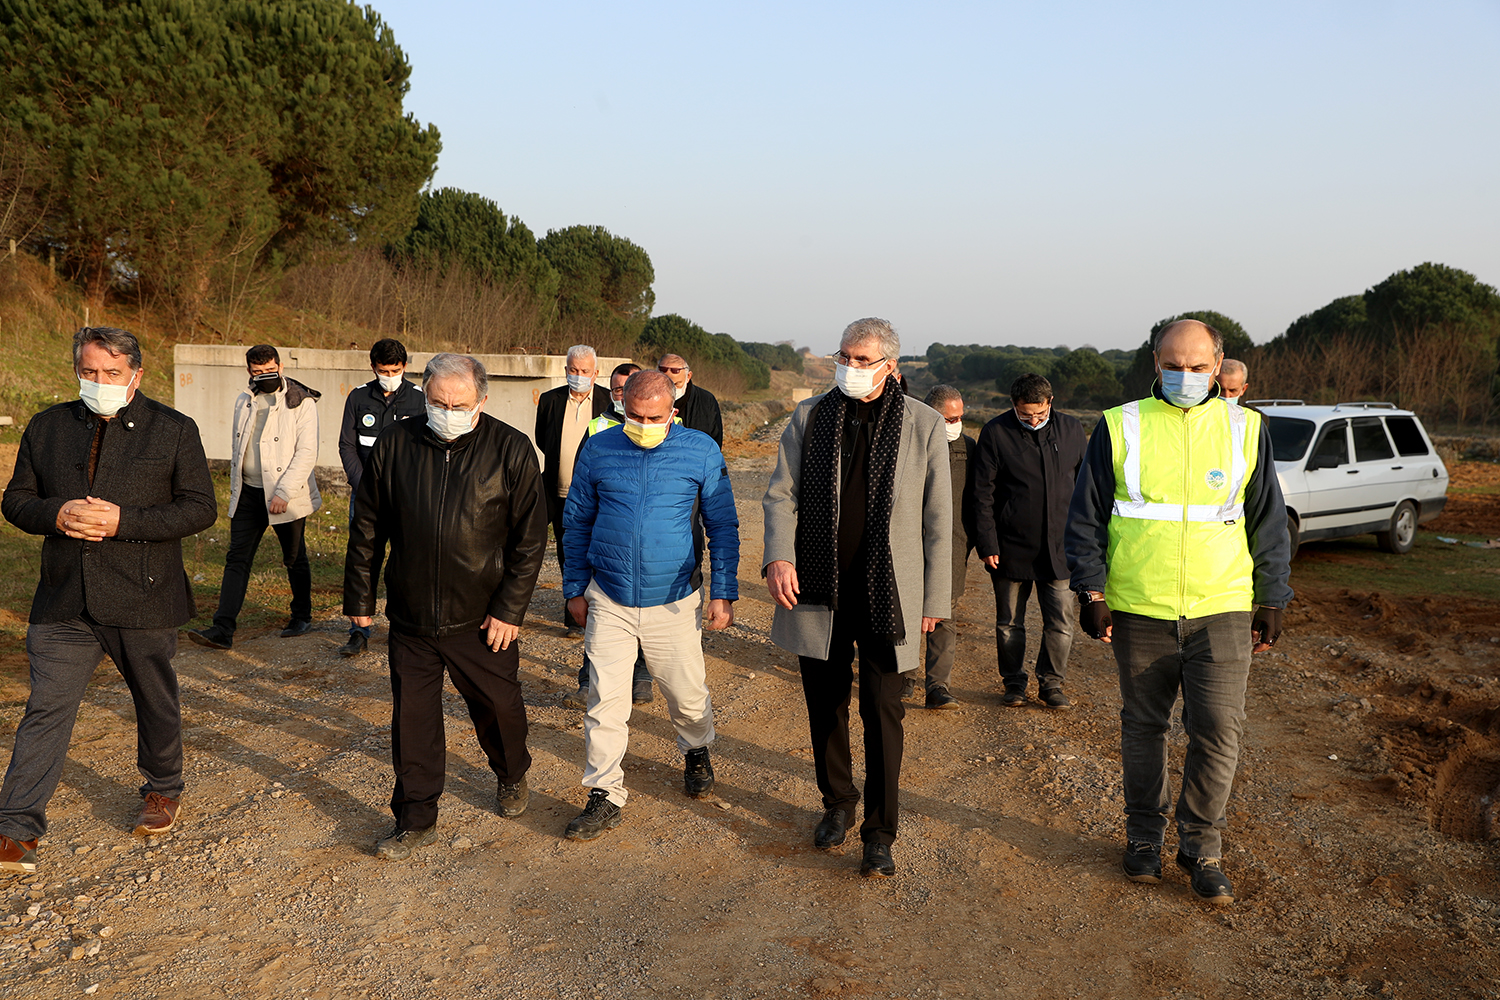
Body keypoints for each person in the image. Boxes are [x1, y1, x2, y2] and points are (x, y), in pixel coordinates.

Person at [1065, 319, 1292, 907]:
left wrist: (1272, 598)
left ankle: (1201, 846)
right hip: (1140, 609)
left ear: (1218, 367)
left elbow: (1267, 518)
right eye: (1173, 365)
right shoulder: (1120, 425)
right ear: (1155, 364)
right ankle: (1144, 837)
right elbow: (1085, 516)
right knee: (1144, 728)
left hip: (1222, 609)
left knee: (1218, 729)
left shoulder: (1247, 429)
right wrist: (1091, 592)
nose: (1184, 376)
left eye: (1197, 367)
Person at [0, 327, 216, 872]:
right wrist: (56, 514)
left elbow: (199, 509)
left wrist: (124, 522)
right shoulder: (47, 427)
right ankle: (16, 824)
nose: (100, 383)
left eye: (112, 374)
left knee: (154, 698)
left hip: (142, 594)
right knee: (45, 708)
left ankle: (163, 788)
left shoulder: (174, 430)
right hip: (64, 598)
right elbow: (16, 500)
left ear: (136, 375)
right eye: (90, 373)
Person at [762, 317, 950, 878]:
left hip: (888, 592)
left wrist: (934, 599)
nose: (849, 366)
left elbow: (939, 519)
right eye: (844, 355)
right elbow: (780, 495)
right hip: (817, 589)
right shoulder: (810, 416)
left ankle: (880, 831)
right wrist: (778, 555)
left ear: (890, 366)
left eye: (862, 359)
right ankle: (837, 804)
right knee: (825, 705)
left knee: (882, 709)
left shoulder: (924, 424)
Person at [344, 353, 547, 860]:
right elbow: (368, 524)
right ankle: (416, 818)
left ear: (481, 400)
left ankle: (511, 772)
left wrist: (510, 609)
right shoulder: (398, 441)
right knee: (413, 720)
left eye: (459, 404)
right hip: (412, 615)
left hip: (481, 617)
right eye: (438, 402)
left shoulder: (511, 449)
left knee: (498, 708)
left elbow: (529, 540)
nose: (447, 412)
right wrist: (361, 597)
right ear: (425, 396)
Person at [559, 371, 740, 840]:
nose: (641, 424)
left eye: (652, 417)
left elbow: (722, 526)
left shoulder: (699, 450)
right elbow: (576, 521)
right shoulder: (599, 449)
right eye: (633, 416)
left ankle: (696, 749)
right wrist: (575, 587)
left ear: (672, 410)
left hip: (674, 600)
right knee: (605, 700)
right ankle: (604, 794)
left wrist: (723, 589)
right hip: (610, 596)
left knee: (686, 693)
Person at [537, 348, 656, 703]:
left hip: (648, 545)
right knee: (600, 611)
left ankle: (641, 675)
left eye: (628, 389)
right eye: (618, 390)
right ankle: (590, 680)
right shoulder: (598, 428)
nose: (621, 396)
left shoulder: (670, 429)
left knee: (645, 613)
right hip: (602, 536)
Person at [189, 345, 321, 650]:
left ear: (281, 365)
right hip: (248, 493)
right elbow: (239, 449)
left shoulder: (301, 403)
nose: (265, 376)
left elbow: (306, 452)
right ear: (249, 371)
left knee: (293, 556)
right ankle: (223, 629)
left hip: (283, 495)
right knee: (237, 559)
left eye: (270, 370)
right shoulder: (244, 400)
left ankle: (301, 615)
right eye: (258, 372)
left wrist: (284, 491)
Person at [972, 373, 1088, 709]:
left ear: (1050, 402)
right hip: (1011, 547)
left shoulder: (1071, 429)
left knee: (1061, 622)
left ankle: (1051, 684)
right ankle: (1013, 683)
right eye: (1026, 415)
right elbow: (982, 494)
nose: (1033, 421)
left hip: (1061, 549)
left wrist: (1085, 541)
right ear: (1013, 406)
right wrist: (988, 543)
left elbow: (1085, 487)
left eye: (1039, 414)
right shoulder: (995, 433)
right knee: (1009, 622)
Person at [335, 338, 425, 657]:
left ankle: (406, 625)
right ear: (373, 367)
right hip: (366, 497)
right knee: (364, 561)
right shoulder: (358, 398)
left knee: (408, 561)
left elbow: (424, 452)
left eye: (396, 370)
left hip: (405, 499)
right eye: (383, 370)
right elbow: (347, 446)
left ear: (404, 368)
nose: (389, 375)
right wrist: (365, 486)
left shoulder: (419, 399)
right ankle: (359, 629)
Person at [917, 385, 976, 710]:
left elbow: (980, 500)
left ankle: (937, 687)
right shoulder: (908, 443)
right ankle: (904, 679)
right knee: (910, 615)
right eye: (949, 418)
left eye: (960, 417)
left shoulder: (968, 448)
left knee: (944, 616)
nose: (956, 423)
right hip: (910, 545)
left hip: (953, 546)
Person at [657, 353, 723, 446]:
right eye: (665, 384)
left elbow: (715, 439)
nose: (670, 390)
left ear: (688, 376)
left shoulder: (706, 400)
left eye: (676, 384)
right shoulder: (645, 398)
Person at [586, 362, 641, 437]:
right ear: (611, 395)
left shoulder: (658, 424)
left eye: (632, 388)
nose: (625, 395)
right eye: (619, 390)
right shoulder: (596, 427)